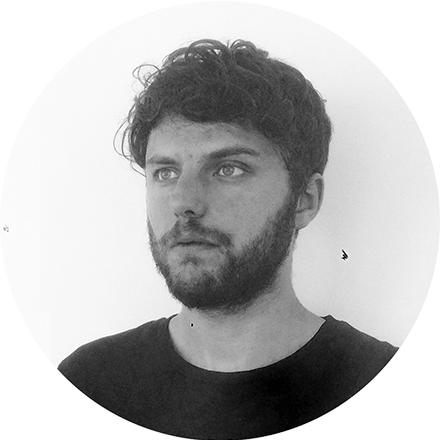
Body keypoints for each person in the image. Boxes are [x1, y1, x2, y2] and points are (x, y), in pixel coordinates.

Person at [58, 39, 397, 439]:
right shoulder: (88, 387)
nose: (184, 202)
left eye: (228, 169)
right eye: (165, 172)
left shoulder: (389, 390)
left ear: (304, 200)